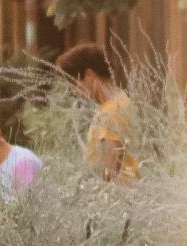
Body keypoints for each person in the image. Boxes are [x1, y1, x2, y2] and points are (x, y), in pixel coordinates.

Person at [56, 43, 139, 183]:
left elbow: (109, 172)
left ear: (89, 75)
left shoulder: (109, 114)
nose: (74, 92)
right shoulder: (122, 101)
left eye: (74, 84)